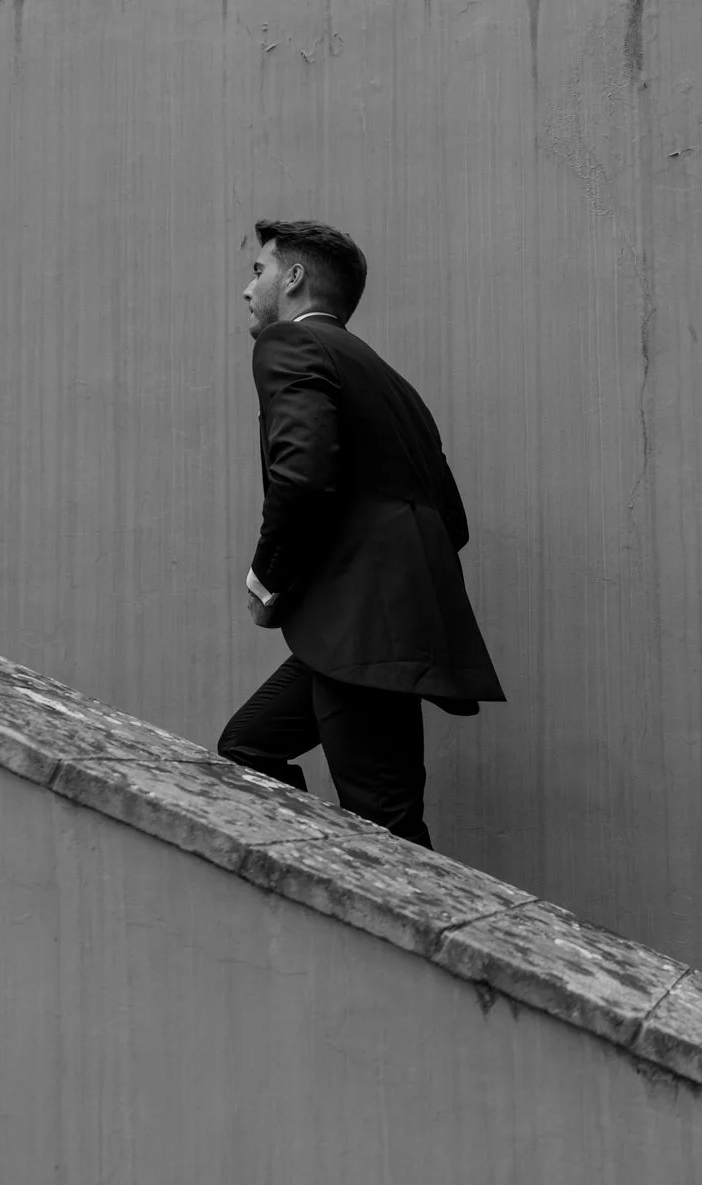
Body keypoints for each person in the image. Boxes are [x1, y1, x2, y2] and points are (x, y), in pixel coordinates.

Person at [217, 220, 504, 849]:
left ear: (293, 279)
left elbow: (301, 475)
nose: (246, 289)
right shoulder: (393, 384)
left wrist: (268, 579)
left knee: (390, 826)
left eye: (258, 271)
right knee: (248, 745)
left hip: (363, 625)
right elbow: (450, 520)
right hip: (371, 625)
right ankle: (312, 868)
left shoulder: (289, 347)